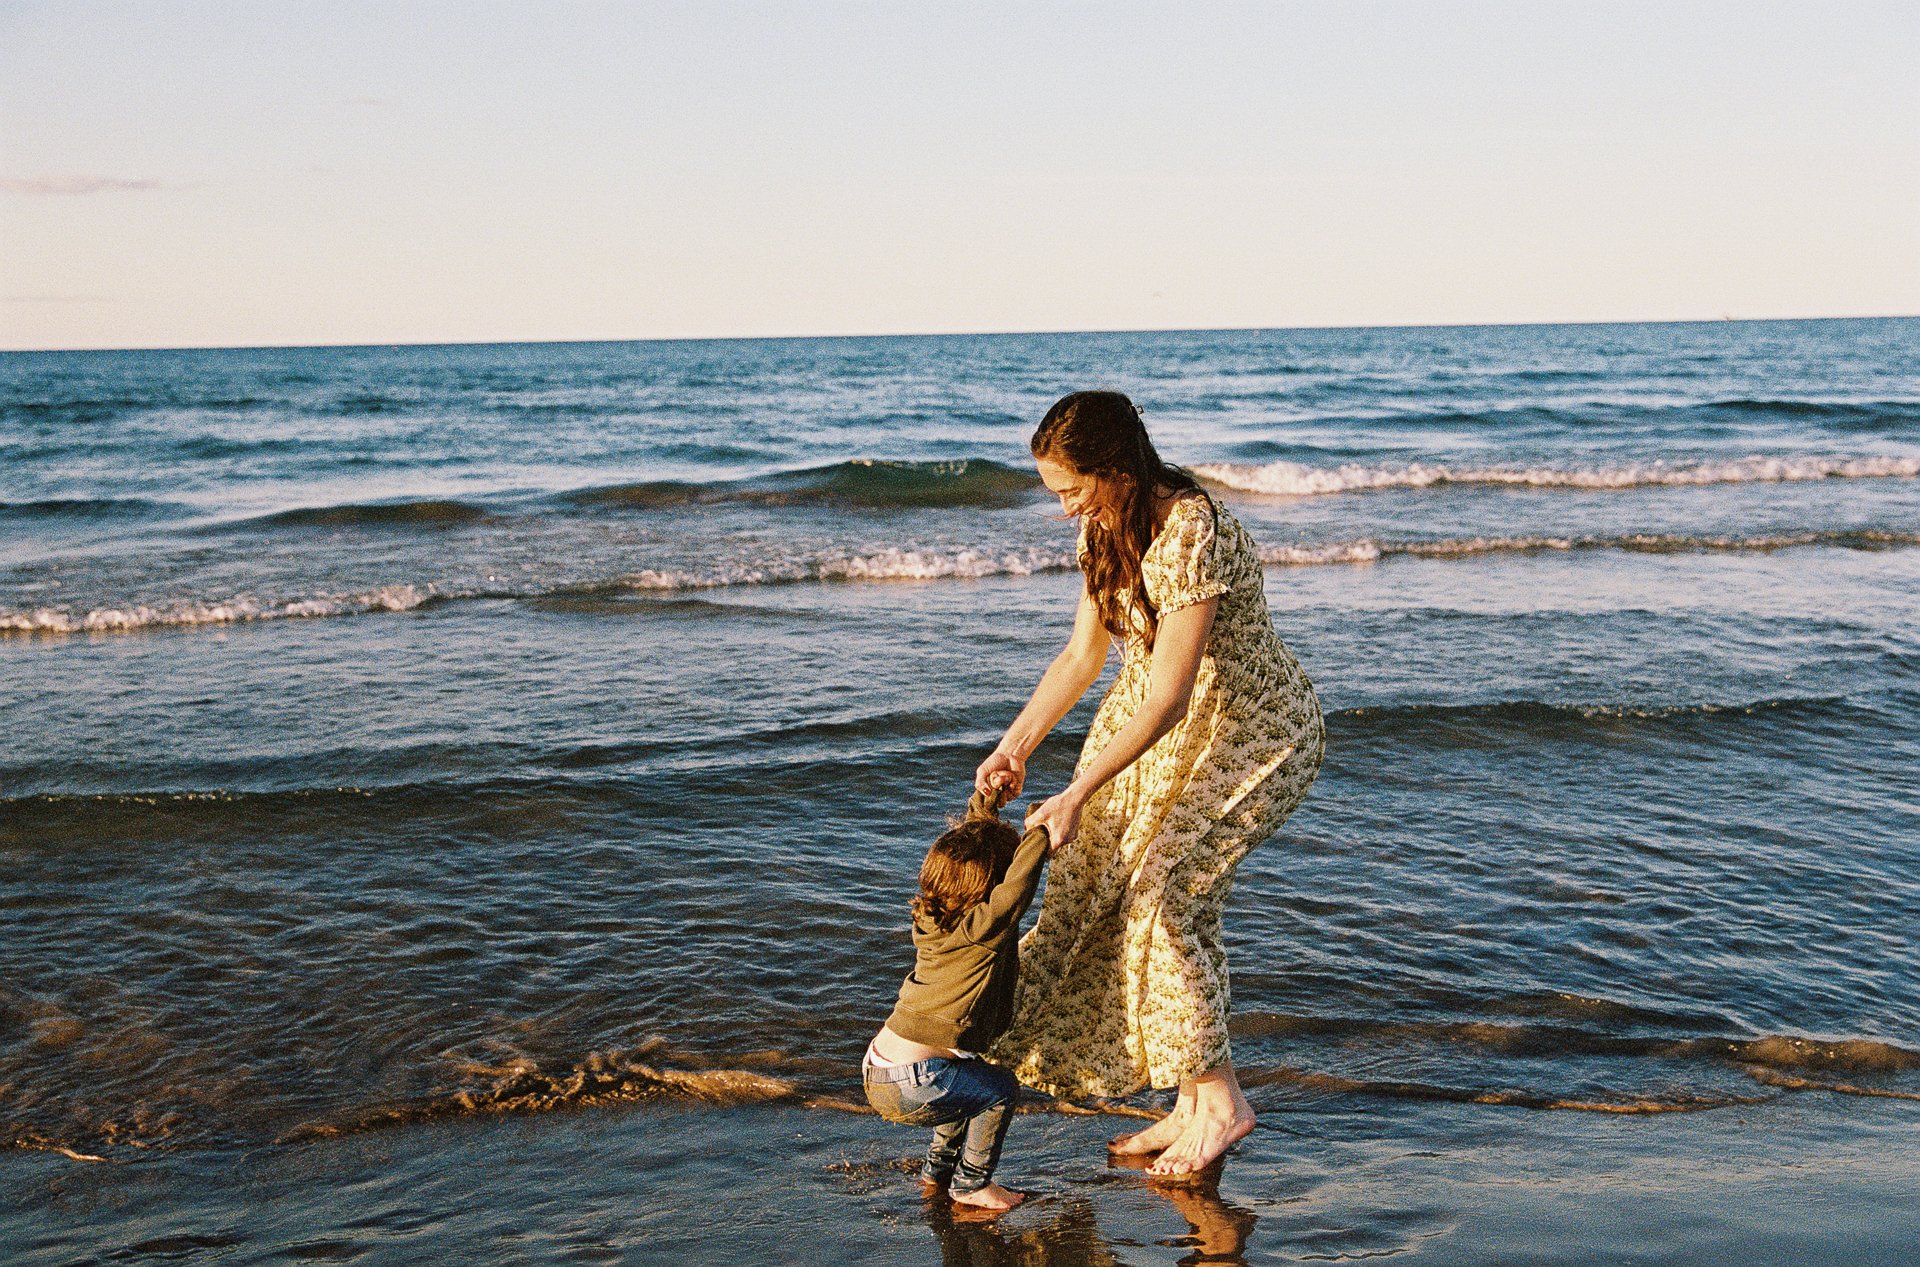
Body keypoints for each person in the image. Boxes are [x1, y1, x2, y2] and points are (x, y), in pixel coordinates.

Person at [978, 389, 1325, 1178]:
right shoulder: (1106, 529)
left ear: (1114, 468)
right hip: (1153, 734)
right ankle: (1191, 1102)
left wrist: (1078, 790)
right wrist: (1017, 745)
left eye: (1071, 489)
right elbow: (1081, 657)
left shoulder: (1189, 530)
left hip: (1248, 734)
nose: (1064, 509)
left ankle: (1224, 1102)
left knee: (1163, 898)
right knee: (1095, 891)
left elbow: (1173, 691)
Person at [863, 788, 1053, 1212]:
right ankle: (971, 1184)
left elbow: (969, 857)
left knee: (966, 1076)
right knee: (1000, 1090)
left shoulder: (931, 919)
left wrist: (985, 804)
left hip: (882, 1066)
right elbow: (1015, 892)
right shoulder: (982, 930)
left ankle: (936, 1174)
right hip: (912, 1081)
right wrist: (1040, 829)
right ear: (991, 886)